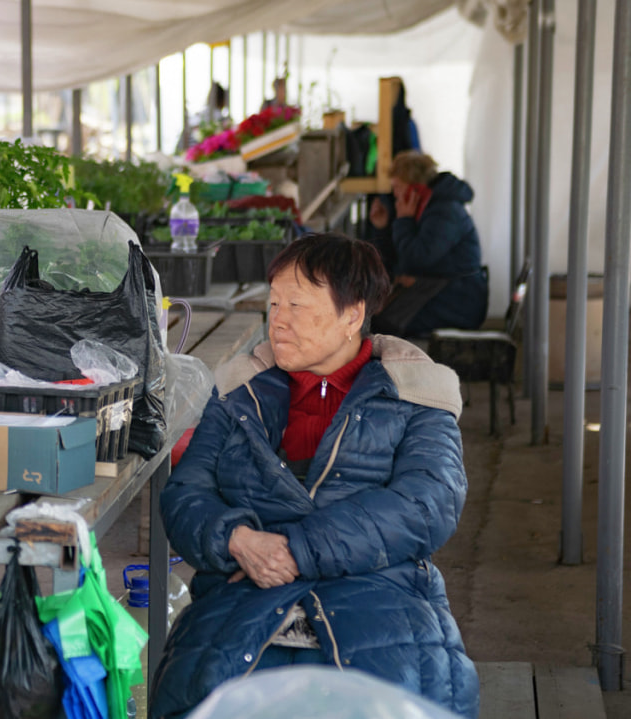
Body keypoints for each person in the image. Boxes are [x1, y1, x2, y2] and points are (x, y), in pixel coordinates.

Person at [150, 233, 479, 719]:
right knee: (199, 692)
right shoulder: (240, 390)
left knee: (409, 694)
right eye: (274, 302)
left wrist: (296, 550)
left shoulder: (416, 392)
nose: (278, 320)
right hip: (246, 592)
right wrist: (237, 539)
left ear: (352, 315)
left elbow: (428, 504)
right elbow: (185, 493)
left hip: (379, 597)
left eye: (298, 305)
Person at [368, 150, 488, 337]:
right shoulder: (426, 207)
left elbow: (417, 259)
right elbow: (399, 259)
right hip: (443, 291)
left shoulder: (445, 211)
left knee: (384, 325)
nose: (395, 195)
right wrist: (383, 227)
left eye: (398, 187)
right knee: (377, 319)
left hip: (458, 299)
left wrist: (404, 221)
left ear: (415, 189)